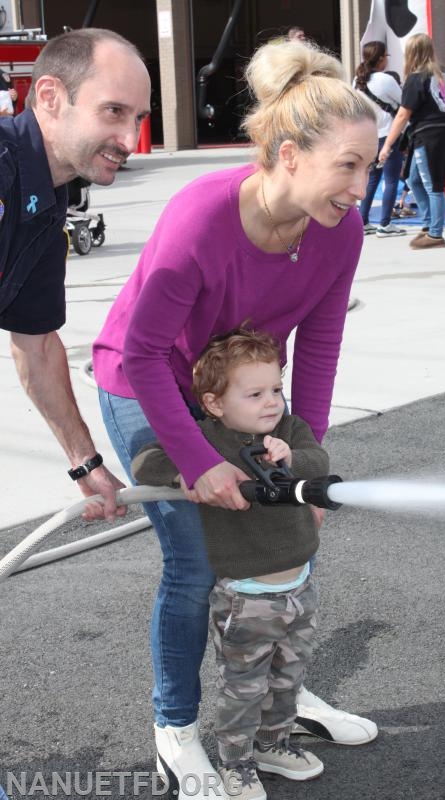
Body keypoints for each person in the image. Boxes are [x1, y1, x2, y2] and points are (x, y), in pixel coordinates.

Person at [93, 38, 379, 799]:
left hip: (243, 387)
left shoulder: (338, 230)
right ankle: (177, 728)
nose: (362, 183)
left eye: (370, 163)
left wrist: (305, 466)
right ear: (289, 156)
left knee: (288, 534)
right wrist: (197, 460)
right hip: (142, 379)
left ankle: (276, 706)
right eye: (347, 164)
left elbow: (316, 351)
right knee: (195, 564)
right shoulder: (200, 219)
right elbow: (148, 353)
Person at [132, 328, 331, 799]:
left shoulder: (288, 431)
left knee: (288, 678)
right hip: (247, 598)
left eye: (276, 389)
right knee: (244, 688)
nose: (271, 402)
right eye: (255, 393)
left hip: (300, 587)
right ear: (216, 403)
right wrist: (190, 470)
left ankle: (273, 743)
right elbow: (144, 461)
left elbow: (317, 460)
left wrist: (292, 457)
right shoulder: (206, 440)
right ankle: (236, 764)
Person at [0, 29, 151, 522]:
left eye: (138, 119)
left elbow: (37, 343)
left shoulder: (49, 200)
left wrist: (84, 462)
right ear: (49, 97)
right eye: (113, 112)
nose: (130, 140)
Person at [378, 32, 445, 250]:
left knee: (433, 185)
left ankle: (435, 234)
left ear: (412, 54)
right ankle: (428, 223)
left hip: (428, 136)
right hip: (440, 133)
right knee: (413, 179)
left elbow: (403, 115)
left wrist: (387, 145)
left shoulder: (416, 79)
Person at [354, 41, 406, 237]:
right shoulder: (386, 80)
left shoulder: (356, 81)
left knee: (372, 179)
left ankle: (363, 220)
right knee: (391, 179)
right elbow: (404, 103)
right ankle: (385, 223)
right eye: (387, 56)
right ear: (381, 58)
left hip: (368, 137)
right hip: (388, 135)